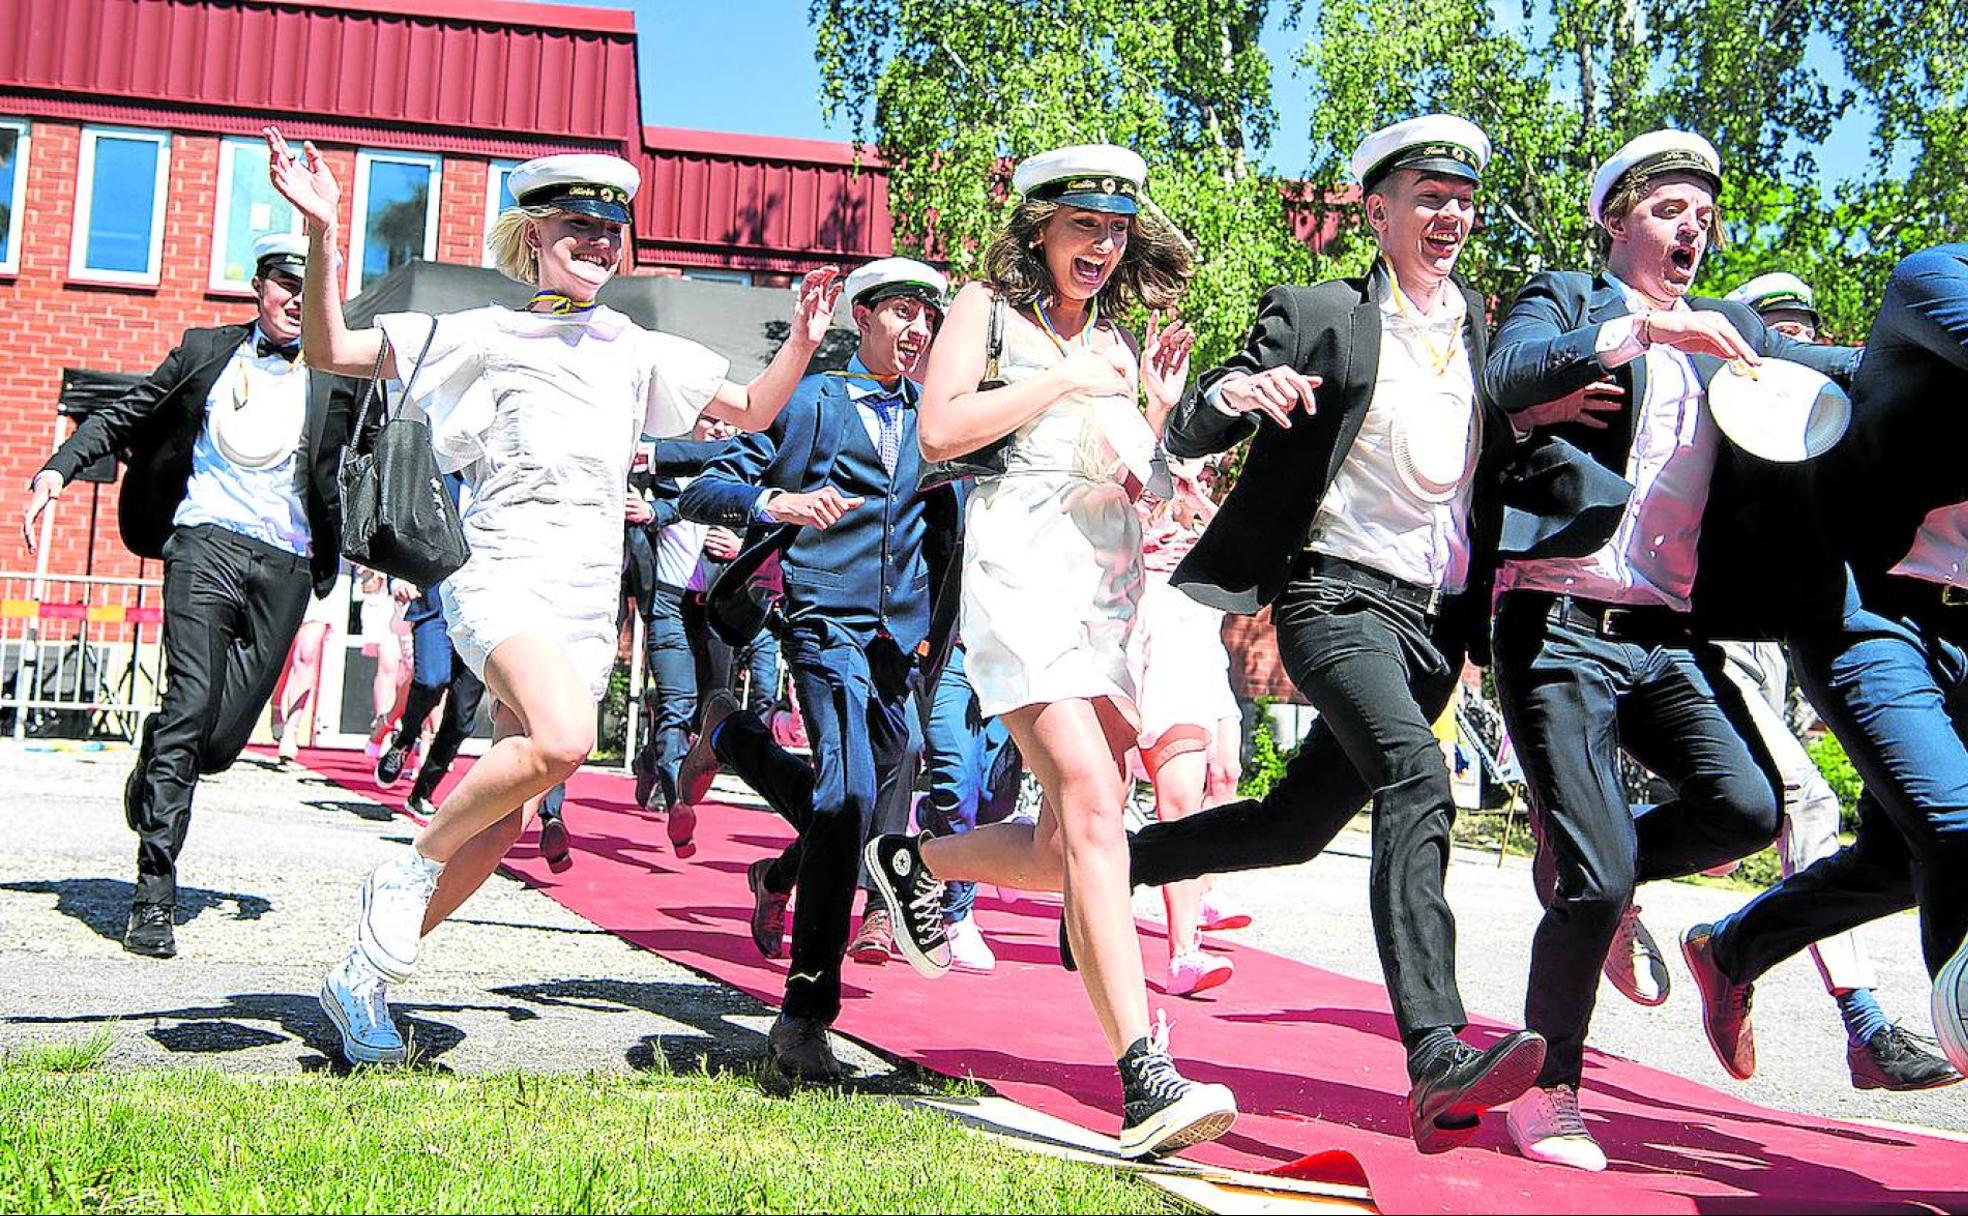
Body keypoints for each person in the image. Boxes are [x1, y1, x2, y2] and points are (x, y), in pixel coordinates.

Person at [262, 132, 840, 1066]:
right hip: (498, 576)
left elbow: (750, 409)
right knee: (564, 738)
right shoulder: (482, 331)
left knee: (505, 822)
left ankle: (358, 980)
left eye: (613, 227)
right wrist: (327, 228)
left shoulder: (634, 345)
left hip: (580, 602)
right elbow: (331, 346)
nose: (601, 241)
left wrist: (806, 340)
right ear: (532, 235)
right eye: (579, 224)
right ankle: (402, 873)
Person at [1070, 116, 1550, 1155]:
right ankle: (1436, 1057)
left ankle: (1109, 876)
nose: (1450, 215)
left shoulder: (1487, 337)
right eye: (1428, 196)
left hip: (1431, 627)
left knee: (1291, 826)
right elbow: (1202, 413)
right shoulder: (1324, 312)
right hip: (1332, 601)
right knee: (1417, 778)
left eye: (1462, 199)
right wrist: (1237, 392)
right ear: (1377, 212)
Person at [1481, 129, 1860, 1170]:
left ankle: (1592, 864)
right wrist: (1642, 333)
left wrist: (1920, 362)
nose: (1692, 228)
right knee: (1599, 878)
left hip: (1668, 636)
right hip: (1556, 621)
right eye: (1668, 210)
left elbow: (1833, 371)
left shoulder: (1736, 328)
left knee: (1745, 807)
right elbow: (1507, 373)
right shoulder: (1566, 298)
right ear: (1617, 220)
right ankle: (1548, 1088)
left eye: (1705, 216)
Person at [862, 145, 1238, 1159]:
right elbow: (938, 431)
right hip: (1018, 577)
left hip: (1104, 589)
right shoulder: (986, 308)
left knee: (1070, 839)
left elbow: (1141, 479)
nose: (1103, 248)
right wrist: (1064, 376)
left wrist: (1156, 426)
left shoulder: (1115, 341)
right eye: (1086, 227)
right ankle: (1144, 1077)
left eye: (1117, 231)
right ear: (1042, 227)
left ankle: (911, 860)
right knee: (1092, 804)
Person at [21, 232, 362, 959]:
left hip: (289, 564)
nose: (294, 301)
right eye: (283, 284)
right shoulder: (207, 350)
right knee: (186, 706)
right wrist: (58, 470)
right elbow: (127, 412)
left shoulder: (342, 376)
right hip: (203, 542)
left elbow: (370, 461)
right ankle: (153, 895)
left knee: (220, 741)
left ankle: (157, 763)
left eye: (310, 289)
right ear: (259, 286)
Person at [1683, 244, 1968, 1083]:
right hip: (1874, 614)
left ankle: (1735, 949)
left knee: (1895, 860)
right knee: (1957, 826)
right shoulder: (1936, 277)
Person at [674, 257, 957, 1080]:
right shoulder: (810, 400)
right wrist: (779, 504)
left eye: (927, 317)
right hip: (822, 623)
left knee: (860, 797)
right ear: (859, 320)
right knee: (853, 799)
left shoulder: (935, 418)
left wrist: (936, 629)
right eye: (901, 311)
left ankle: (732, 743)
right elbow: (708, 487)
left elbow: (946, 528)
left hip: (898, 643)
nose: (916, 330)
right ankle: (803, 1019)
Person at [1126, 458, 1244, 996]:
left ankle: (1185, 942)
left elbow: (1246, 555)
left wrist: (1200, 500)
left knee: (1202, 793)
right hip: (1152, 659)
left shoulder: (1205, 517)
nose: (1199, 470)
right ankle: (1176, 949)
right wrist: (1143, 545)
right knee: (1149, 806)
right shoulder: (1139, 509)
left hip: (1197, 666)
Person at [271, 565, 344, 766]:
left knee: (307, 654)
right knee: (281, 655)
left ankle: (291, 730)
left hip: (322, 572)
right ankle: (276, 704)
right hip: (290, 566)